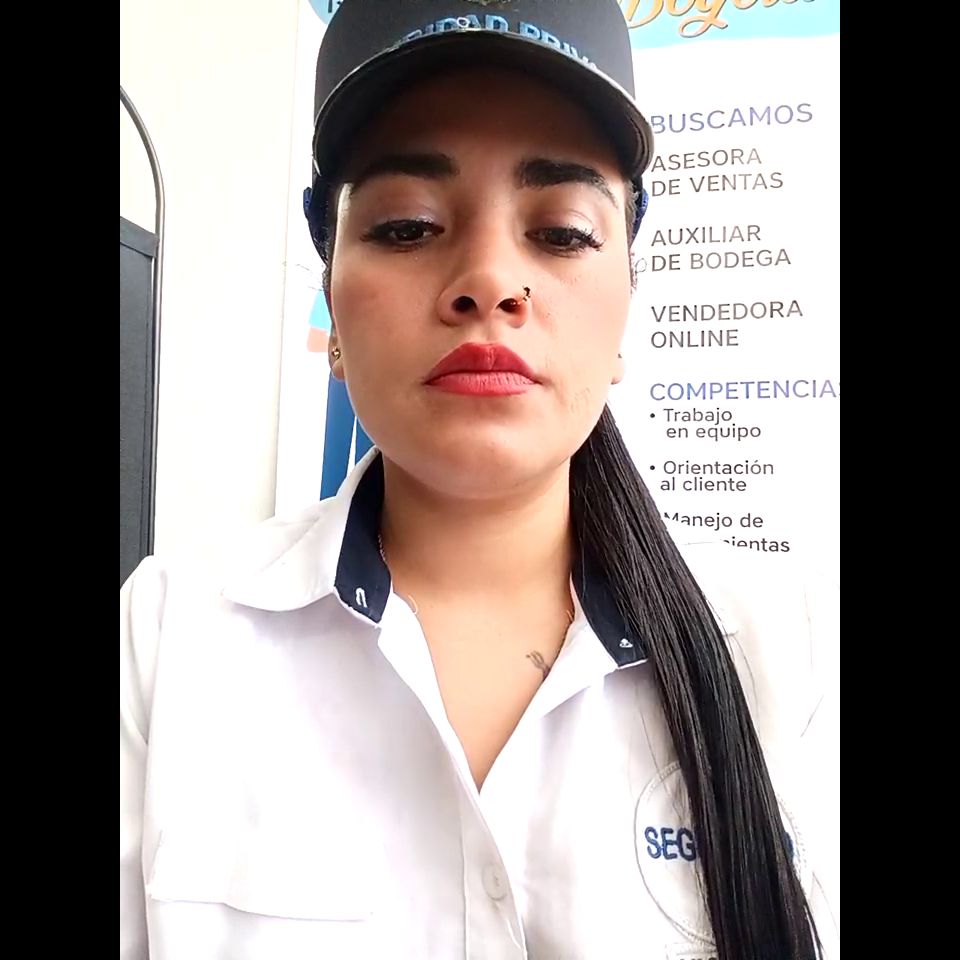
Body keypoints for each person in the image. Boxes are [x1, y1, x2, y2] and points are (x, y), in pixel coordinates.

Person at [120, 1, 839, 958]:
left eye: (564, 232)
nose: (491, 279)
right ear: (330, 299)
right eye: (409, 225)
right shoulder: (167, 642)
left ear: (629, 296)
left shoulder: (796, 652)